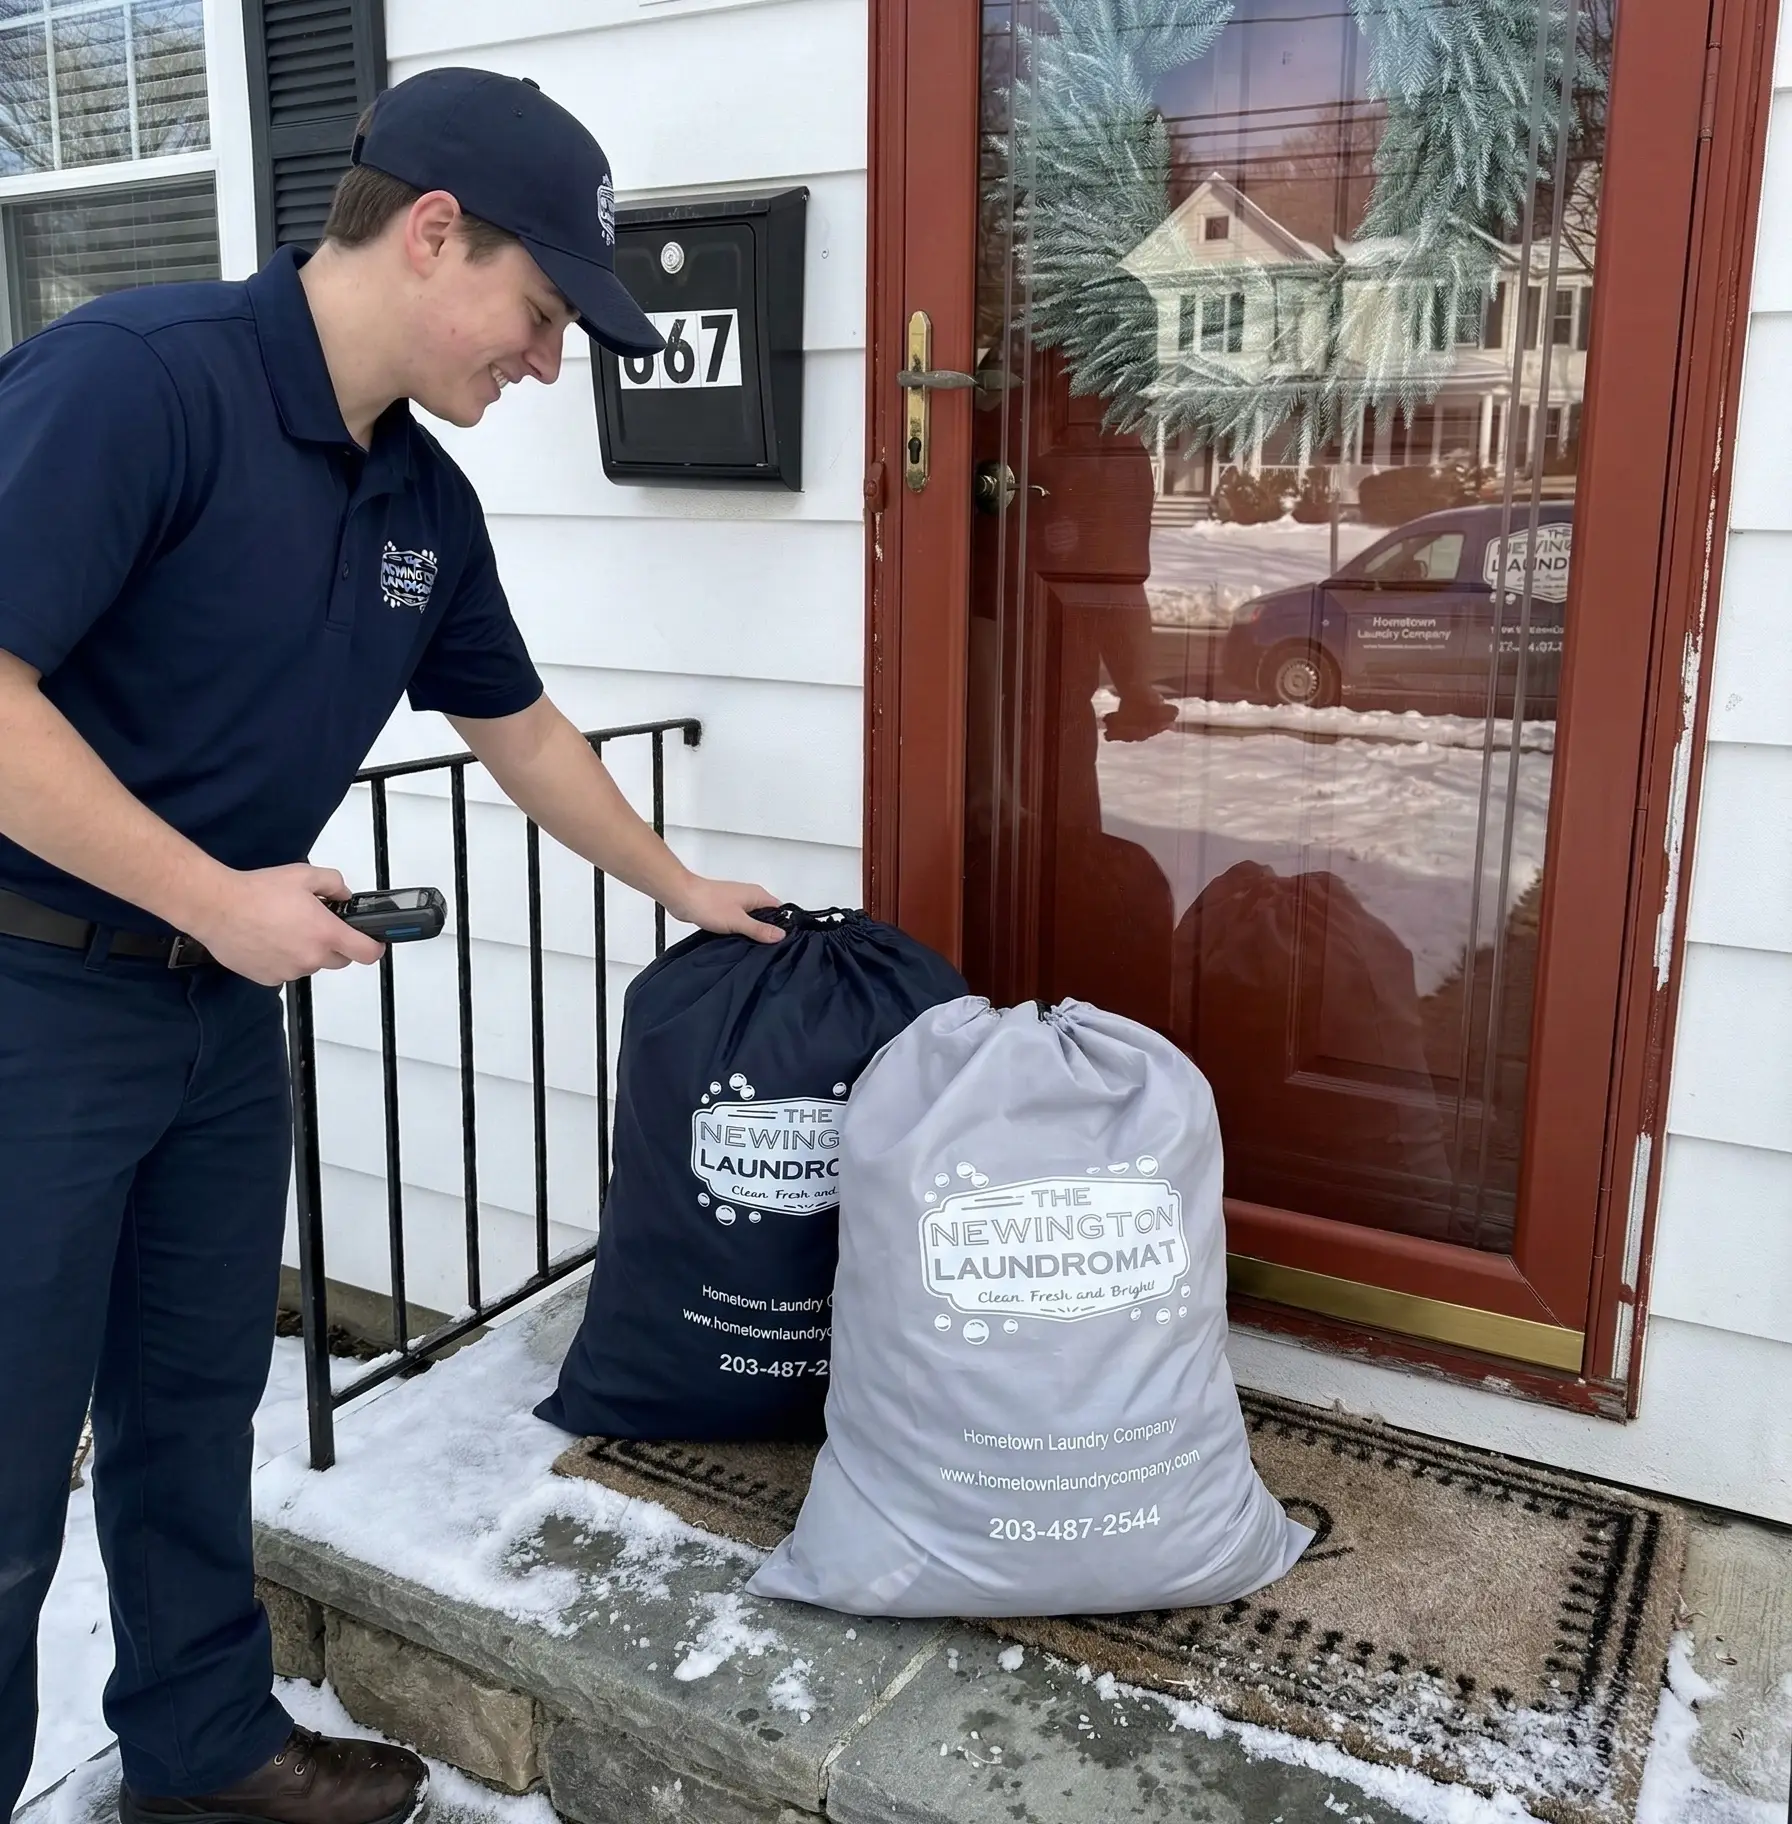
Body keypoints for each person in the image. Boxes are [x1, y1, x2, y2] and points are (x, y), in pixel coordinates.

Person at [0, 67, 782, 1824]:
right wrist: (218, 896)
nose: (549, 359)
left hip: (214, 1026)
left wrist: (682, 892)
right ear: (434, 232)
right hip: (29, 1000)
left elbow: (520, 730)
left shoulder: (421, 502)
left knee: (195, 1411)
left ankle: (200, 1756)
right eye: (540, 311)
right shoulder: (137, 384)